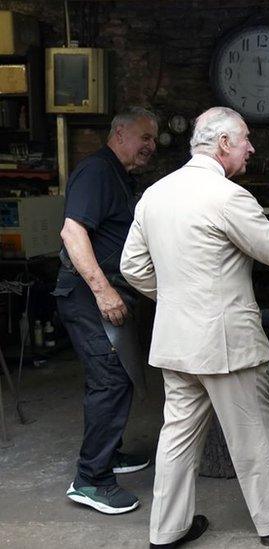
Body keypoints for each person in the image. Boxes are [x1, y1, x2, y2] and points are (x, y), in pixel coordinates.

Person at [121, 106, 269, 547]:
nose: (251, 148)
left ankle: (167, 531)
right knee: (252, 435)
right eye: (245, 140)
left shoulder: (155, 194)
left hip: (176, 340)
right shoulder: (227, 197)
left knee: (177, 439)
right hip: (226, 344)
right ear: (223, 144)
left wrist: (178, 298)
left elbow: (132, 267)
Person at [57, 107, 158, 514]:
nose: (151, 146)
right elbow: (72, 231)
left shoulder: (119, 174)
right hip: (88, 296)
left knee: (119, 377)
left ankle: (108, 452)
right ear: (119, 133)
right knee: (110, 380)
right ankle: (91, 480)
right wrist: (103, 291)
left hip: (109, 293)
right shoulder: (97, 171)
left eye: (153, 139)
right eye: (144, 137)